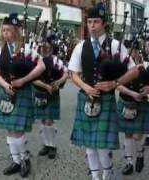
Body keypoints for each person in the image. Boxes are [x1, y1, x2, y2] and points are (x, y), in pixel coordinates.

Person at [68, 3, 139, 180]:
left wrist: (115, 83)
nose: (92, 25)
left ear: (104, 23)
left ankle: (107, 174)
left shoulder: (115, 45)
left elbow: (134, 70)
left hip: (106, 100)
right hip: (86, 98)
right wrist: (85, 87)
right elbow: (73, 74)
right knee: (89, 145)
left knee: (102, 146)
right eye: (89, 22)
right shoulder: (80, 47)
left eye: (96, 22)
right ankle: (95, 176)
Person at [0, 13, 44, 178]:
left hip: (23, 92)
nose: (5, 33)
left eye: (8, 30)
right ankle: (16, 160)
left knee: (17, 129)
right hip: (6, 92)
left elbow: (41, 67)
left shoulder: (27, 49)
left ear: (16, 31)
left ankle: (25, 159)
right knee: (9, 128)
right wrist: (6, 85)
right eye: (3, 30)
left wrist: (24, 80)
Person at [116, 41, 149, 175]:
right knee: (128, 134)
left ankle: (140, 153)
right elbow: (115, 84)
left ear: (139, 51)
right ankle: (129, 162)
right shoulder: (121, 66)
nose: (132, 52)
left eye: (135, 50)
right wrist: (132, 93)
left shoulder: (145, 66)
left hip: (141, 103)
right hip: (126, 100)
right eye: (130, 49)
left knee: (137, 136)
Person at [34, 37, 68, 159]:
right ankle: (46, 144)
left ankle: (52, 146)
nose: (44, 49)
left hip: (52, 92)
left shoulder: (56, 60)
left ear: (51, 48)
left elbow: (66, 73)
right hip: (39, 92)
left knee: (49, 120)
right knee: (43, 120)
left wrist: (59, 82)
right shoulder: (35, 59)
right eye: (43, 47)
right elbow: (31, 78)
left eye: (47, 47)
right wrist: (44, 86)